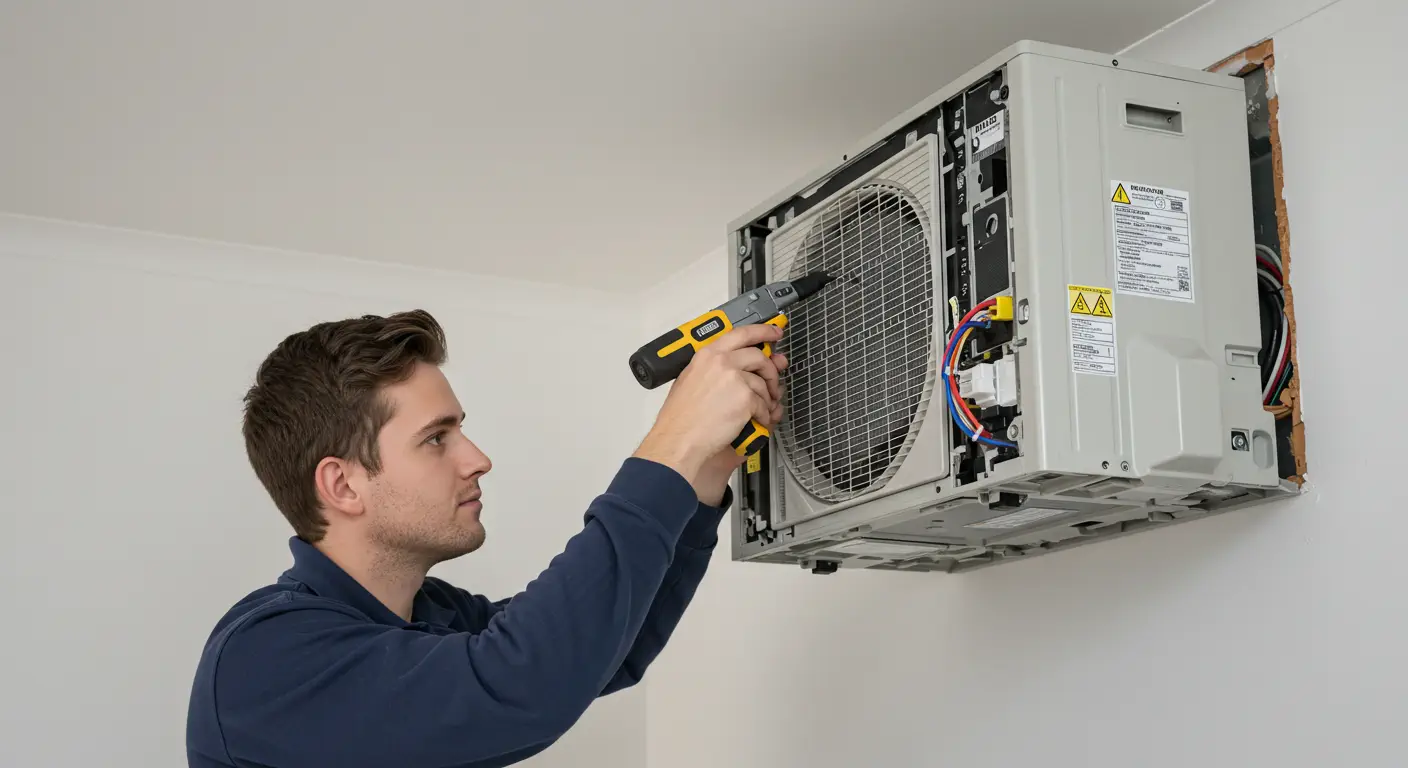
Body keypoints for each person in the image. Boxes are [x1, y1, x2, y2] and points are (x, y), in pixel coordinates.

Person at [184, 308, 787, 768]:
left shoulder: (432, 616)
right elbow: (524, 682)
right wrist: (672, 446)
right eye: (435, 438)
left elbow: (605, 653)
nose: (478, 459)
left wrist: (704, 473)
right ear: (343, 485)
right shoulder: (266, 657)